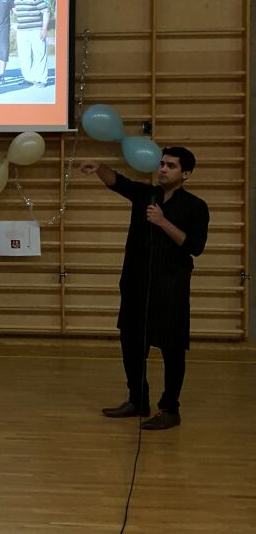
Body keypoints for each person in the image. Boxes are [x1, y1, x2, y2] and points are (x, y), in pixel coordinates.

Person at [81, 148, 209, 430]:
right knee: (131, 344)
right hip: (136, 284)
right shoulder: (146, 195)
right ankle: (138, 399)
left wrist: (162, 222)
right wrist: (100, 166)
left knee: (172, 349)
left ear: (186, 173)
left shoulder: (196, 206)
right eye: (162, 164)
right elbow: (118, 182)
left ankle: (170, 408)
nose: (163, 169)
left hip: (170, 288)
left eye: (171, 166)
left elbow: (195, 246)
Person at [12, 0, 50, 87]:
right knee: (24, 56)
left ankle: (41, 80)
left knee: (39, 55)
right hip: (22, 32)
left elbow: (46, 12)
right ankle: (28, 79)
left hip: (36, 30)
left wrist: (44, 29)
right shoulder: (14, 0)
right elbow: (15, 11)